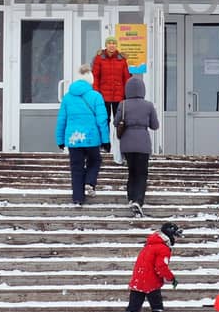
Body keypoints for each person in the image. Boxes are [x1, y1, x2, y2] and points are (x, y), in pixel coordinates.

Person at [116, 223, 181, 312]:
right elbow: (161, 267)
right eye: (175, 235)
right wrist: (171, 278)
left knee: (132, 308)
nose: (176, 239)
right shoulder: (163, 248)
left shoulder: (149, 245)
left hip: (138, 280)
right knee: (157, 307)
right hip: (151, 282)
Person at [56, 72, 109, 204]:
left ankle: (78, 198)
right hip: (92, 138)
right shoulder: (96, 96)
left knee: (76, 168)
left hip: (74, 140)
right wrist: (106, 140)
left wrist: (60, 140)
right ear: (90, 82)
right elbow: (102, 120)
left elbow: (61, 120)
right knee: (95, 161)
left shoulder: (67, 98)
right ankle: (90, 182)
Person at [115, 75, 159, 216]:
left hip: (127, 143)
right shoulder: (148, 105)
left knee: (131, 172)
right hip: (143, 143)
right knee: (142, 173)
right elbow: (155, 125)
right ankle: (138, 200)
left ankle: (130, 197)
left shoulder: (123, 104)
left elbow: (116, 122)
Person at [91, 38, 131, 157]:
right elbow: (95, 77)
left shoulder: (121, 59)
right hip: (103, 96)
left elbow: (126, 78)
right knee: (104, 121)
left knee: (120, 122)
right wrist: (97, 93)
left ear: (116, 45)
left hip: (119, 96)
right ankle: (105, 145)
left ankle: (121, 146)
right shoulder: (99, 58)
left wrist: (126, 94)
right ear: (106, 45)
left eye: (113, 43)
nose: (111, 45)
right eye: (109, 43)